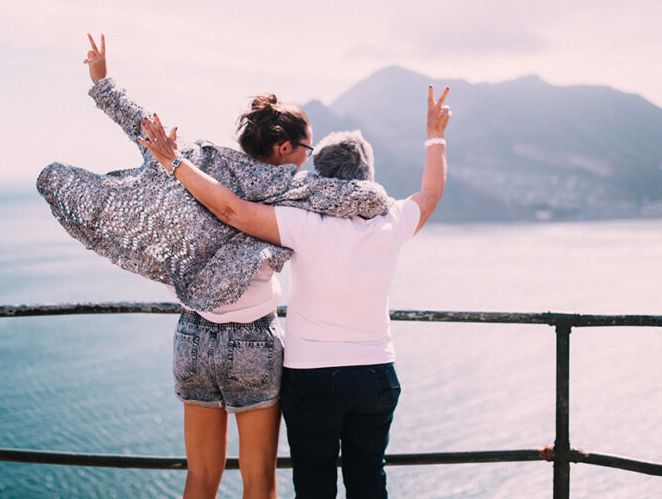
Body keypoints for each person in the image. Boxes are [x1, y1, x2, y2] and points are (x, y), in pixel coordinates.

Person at [39, 34, 391, 499]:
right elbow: (366, 199)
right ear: (284, 147)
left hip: (192, 338)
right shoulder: (293, 190)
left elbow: (140, 124)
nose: (308, 158)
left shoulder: (195, 160)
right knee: (257, 483)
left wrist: (103, 82)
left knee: (200, 478)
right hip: (252, 343)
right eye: (306, 148)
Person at [139, 84, 452, 498]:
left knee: (313, 484)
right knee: (369, 480)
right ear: (368, 175)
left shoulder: (302, 221)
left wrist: (174, 161)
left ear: (319, 175)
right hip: (376, 373)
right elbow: (431, 193)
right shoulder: (391, 220)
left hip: (312, 377)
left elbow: (230, 208)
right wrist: (436, 135)